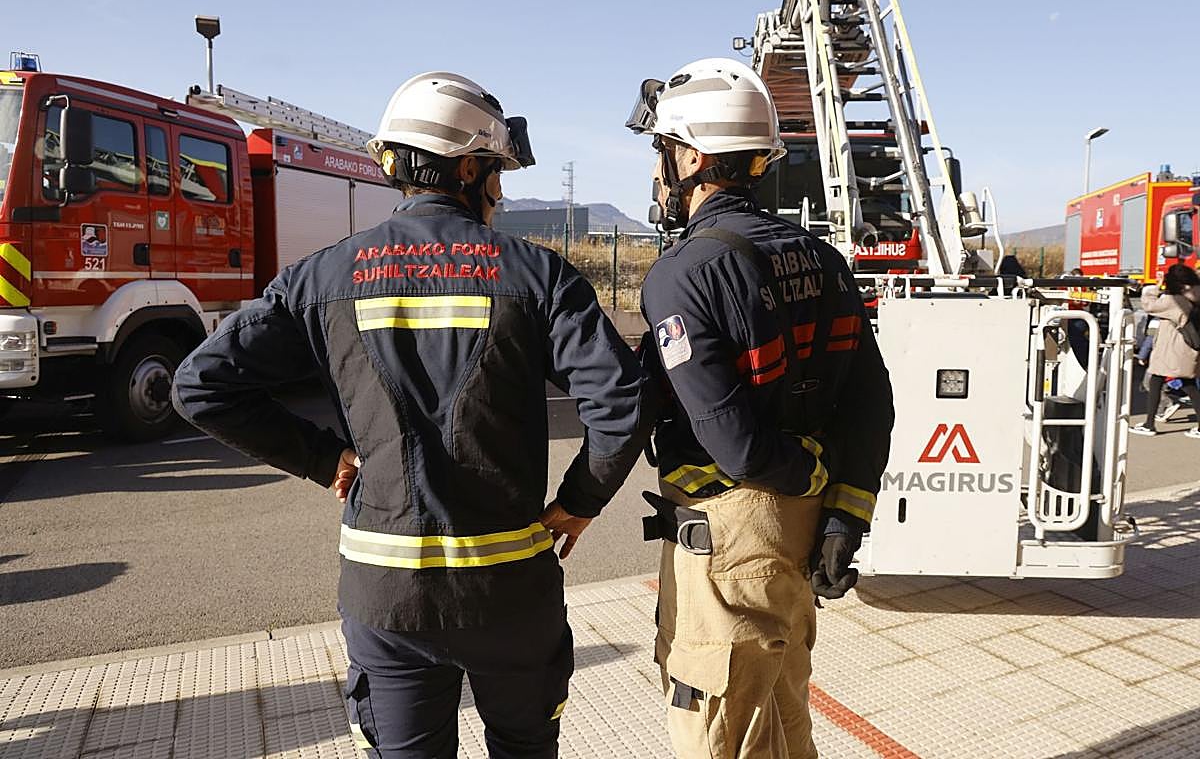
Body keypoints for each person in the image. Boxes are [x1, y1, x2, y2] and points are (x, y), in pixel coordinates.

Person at [171, 71, 655, 758]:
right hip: (510, 590)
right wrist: (580, 501)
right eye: (496, 172)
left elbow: (201, 384)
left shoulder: (325, 276)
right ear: (467, 167)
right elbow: (622, 398)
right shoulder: (536, 275)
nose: (500, 190)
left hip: (387, 596)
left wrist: (321, 456)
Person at [625, 58, 894, 758]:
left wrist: (801, 476)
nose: (659, 174)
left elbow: (737, 445)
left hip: (729, 537)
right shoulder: (824, 259)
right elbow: (872, 401)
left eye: (662, 154)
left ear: (691, 156)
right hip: (800, 533)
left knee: (717, 729)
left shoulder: (683, 275)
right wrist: (842, 513)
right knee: (782, 721)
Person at [1131, 263, 1200, 438]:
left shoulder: (1174, 301)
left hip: (1174, 349)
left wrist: (1154, 286)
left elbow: (1149, 305)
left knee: (1155, 379)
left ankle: (1149, 424)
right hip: (1187, 349)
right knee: (1189, 386)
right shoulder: (1193, 296)